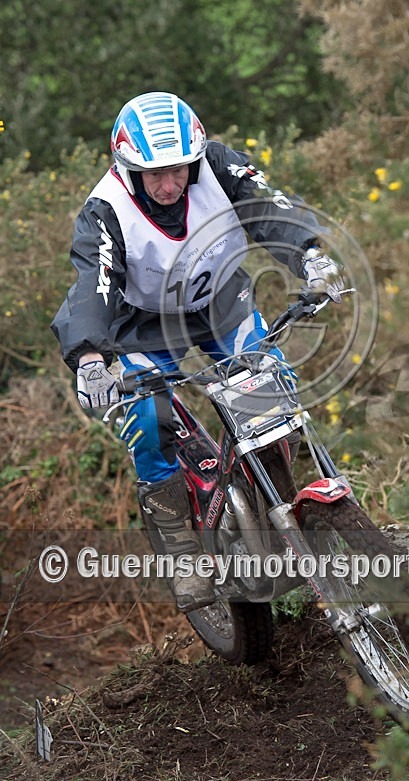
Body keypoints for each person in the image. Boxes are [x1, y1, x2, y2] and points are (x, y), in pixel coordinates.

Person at [51, 91, 344, 611]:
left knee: (273, 398)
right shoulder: (105, 211)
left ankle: (270, 499)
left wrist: (311, 254)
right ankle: (181, 548)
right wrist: (91, 359)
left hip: (221, 304)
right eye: (153, 174)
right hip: (144, 325)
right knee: (149, 422)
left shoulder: (218, 165)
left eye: (178, 170)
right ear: (126, 167)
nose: (168, 184)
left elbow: (268, 207)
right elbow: (91, 286)